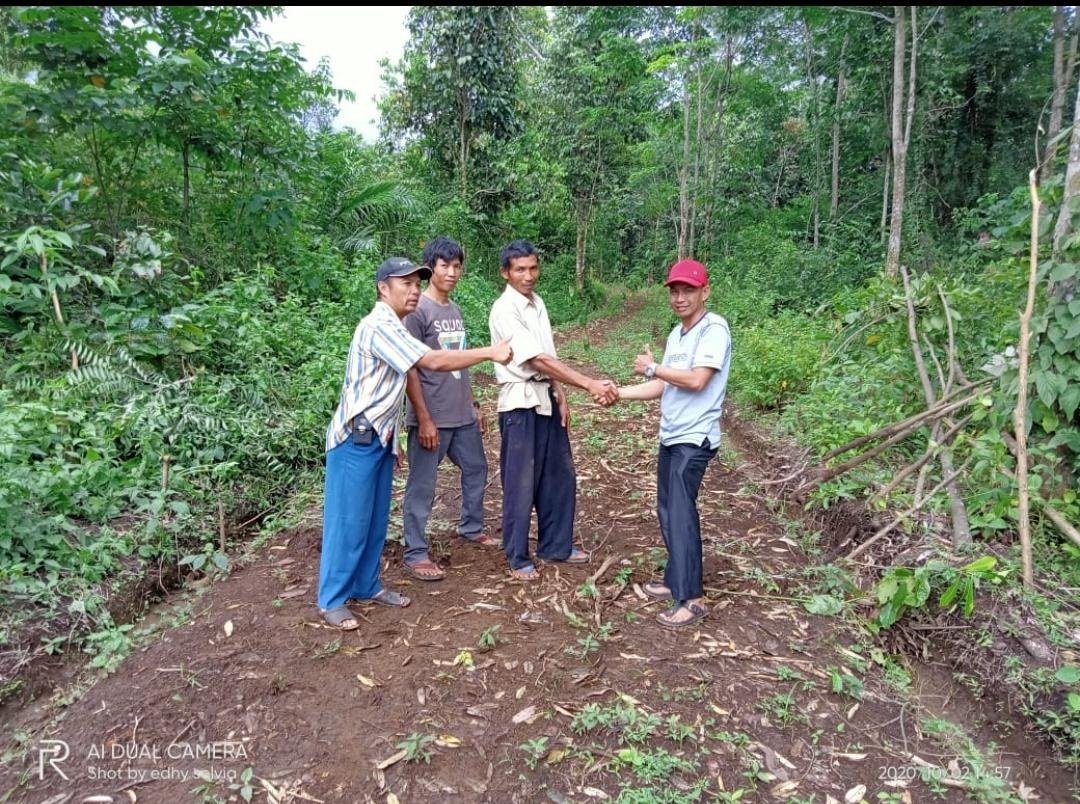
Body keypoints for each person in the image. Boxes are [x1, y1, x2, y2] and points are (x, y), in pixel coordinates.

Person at [317, 257, 513, 630]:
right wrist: (489, 352)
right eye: (405, 284)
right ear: (383, 288)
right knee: (348, 520)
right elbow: (431, 361)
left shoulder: (397, 326)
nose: (414, 290)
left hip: (379, 436)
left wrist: (393, 437)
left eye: (416, 284)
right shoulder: (378, 325)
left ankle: (366, 585)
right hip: (355, 439)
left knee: (374, 520)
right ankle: (332, 598)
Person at [488, 239, 618, 581]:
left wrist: (560, 392)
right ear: (505, 272)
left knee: (560, 475)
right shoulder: (505, 309)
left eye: (532, 268)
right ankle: (517, 556)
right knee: (520, 482)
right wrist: (588, 384)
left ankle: (556, 545)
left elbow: (549, 355)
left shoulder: (538, 303)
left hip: (545, 398)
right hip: (519, 403)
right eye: (519, 269)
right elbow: (535, 359)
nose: (528, 275)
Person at [616, 258, 731, 628]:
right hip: (672, 434)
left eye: (689, 290)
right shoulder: (676, 335)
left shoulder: (714, 329)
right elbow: (664, 384)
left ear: (705, 292)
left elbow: (697, 380)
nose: (680, 298)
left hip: (694, 438)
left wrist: (652, 367)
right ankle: (674, 578)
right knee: (667, 508)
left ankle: (692, 598)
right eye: (675, 291)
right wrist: (620, 393)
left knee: (681, 513)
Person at [401, 237, 496, 582]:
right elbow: (411, 367)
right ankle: (415, 551)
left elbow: (459, 362)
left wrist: (474, 403)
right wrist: (423, 418)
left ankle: (471, 527)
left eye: (457, 266)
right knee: (422, 485)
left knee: (477, 468)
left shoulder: (453, 310)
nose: (452, 272)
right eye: (445, 266)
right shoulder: (417, 312)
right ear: (430, 269)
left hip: (461, 414)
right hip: (432, 418)